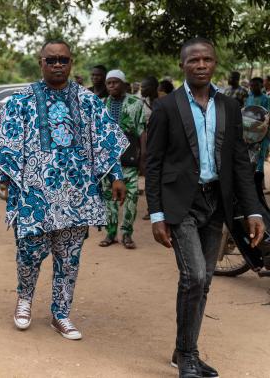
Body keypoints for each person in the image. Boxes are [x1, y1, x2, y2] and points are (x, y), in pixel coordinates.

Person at [0, 40, 128, 340]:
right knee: (28, 254)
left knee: (69, 258)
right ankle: (24, 299)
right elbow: (3, 142)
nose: (58, 65)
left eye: (63, 59)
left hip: (76, 195)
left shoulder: (88, 101)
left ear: (71, 62)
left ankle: (60, 313)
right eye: (51, 60)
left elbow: (106, 140)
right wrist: (12, 177)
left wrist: (116, 175)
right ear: (41, 62)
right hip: (35, 195)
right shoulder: (21, 100)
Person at [146, 38, 264, 378]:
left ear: (215, 63)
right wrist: (156, 215)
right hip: (180, 204)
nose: (201, 65)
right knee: (194, 276)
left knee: (205, 281)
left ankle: (182, 349)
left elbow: (240, 162)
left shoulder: (228, 106)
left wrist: (254, 210)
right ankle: (188, 355)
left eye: (207, 59)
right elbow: (153, 163)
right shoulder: (167, 106)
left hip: (216, 204)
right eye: (193, 60)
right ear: (182, 64)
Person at [98, 70, 145, 248]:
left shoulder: (136, 103)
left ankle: (127, 234)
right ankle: (111, 234)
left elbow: (141, 132)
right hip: (108, 161)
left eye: (115, 82)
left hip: (129, 158)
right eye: (109, 83)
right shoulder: (101, 104)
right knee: (108, 197)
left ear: (124, 84)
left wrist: (143, 159)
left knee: (131, 196)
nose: (112, 86)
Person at [140, 76, 159, 220]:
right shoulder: (141, 103)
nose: (142, 89)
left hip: (162, 143)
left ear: (153, 87)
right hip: (147, 144)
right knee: (150, 177)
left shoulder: (163, 102)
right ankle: (151, 209)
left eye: (145, 87)